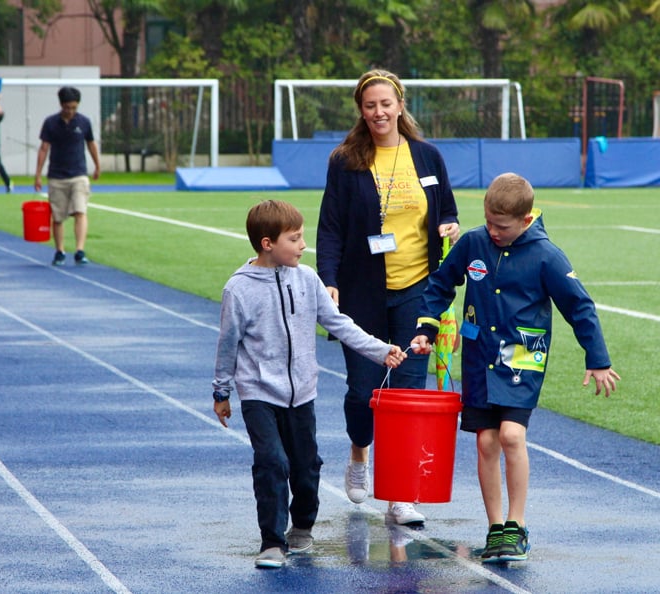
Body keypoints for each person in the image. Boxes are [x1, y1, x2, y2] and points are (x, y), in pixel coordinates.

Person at [410, 172, 620, 563]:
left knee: (510, 436)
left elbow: (580, 307)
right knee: (486, 441)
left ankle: (517, 525)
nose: (492, 231)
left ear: (525, 221)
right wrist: (426, 325)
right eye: (488, 221)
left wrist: (598, 359)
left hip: (522, 358)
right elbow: (440, 285)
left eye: (501, 226)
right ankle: (495, 529)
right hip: (478, 357)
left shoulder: (546, 255)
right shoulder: (473, 242)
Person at [212, 200, 408, 569]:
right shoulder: (238, 290)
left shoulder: (306, 279)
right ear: (267, 243)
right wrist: (221, 391)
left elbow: (339, 323)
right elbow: (228, 343)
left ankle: (302, 525)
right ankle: (271, 541)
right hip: (258, 394)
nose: (303, 245)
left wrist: (381, 351)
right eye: (295, 238)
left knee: (306, 467)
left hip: (302, 393)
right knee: (271, 462)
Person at [316, 69, 460, 524]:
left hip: (418, 291)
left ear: (400, 105)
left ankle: (400, 495)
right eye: (369, 105)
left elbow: (449, 210)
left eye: (385, 104)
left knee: (408, 393)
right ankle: (360, 455)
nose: (378, 112)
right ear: (361, 111)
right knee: (363, 393)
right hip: (361, 295)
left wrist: (449, 227)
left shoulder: (428, 156)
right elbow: (331, 226)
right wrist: (329, 278)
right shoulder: (346, 161)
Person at [34, 86, 101, 266]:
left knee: (80, 211)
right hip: (57, 175)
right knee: (58, 216)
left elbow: (91, 144)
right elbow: (44, 148)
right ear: (61, 105)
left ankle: (79, 250)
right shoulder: (50, 123)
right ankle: (60, 250)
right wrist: (38, 175)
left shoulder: (84, 122)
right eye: (67, 108)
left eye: (74, 108)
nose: (70, 111)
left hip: (79, 174)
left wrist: (97, 165)